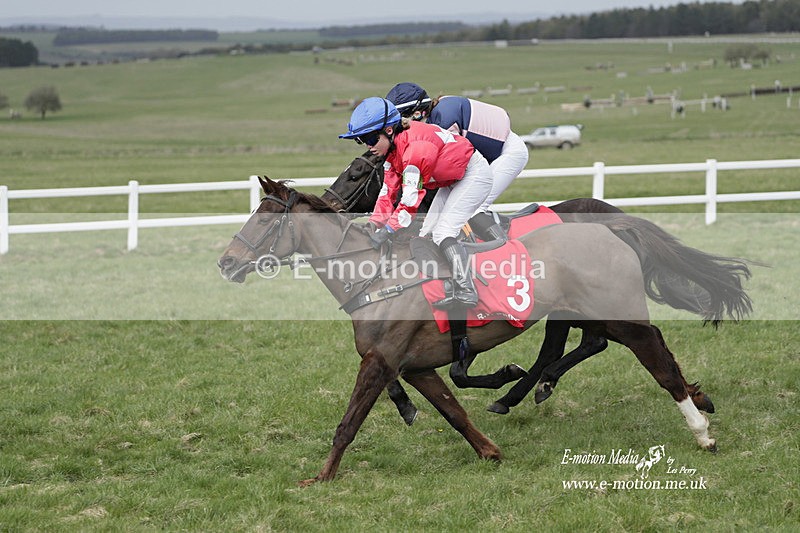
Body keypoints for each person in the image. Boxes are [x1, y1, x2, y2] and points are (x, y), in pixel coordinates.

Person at [339, 97, 493, 308]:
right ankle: (443, 285)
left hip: (473, 175)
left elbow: (410, 200)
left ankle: (467, 290)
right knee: (425, 234)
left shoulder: (415, 149)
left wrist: (387, 231)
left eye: (371, 138)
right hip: (452, 179)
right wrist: (373, 224)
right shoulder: (393, 151)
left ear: (390, 131)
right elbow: (387, 192)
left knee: (443, 232)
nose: (368, 146)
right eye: (361, 140)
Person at [385, 82, 529, 240]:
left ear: (418, 113)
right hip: (490, 152)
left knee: (473, 208)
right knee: (433, 222)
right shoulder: (439, 110)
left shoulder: (442, 122)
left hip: (509, 153)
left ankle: (505, 249)